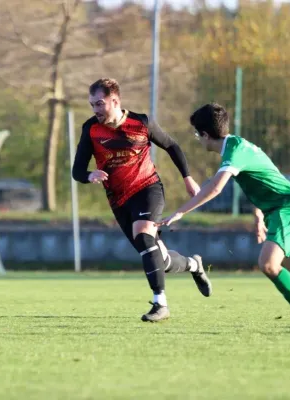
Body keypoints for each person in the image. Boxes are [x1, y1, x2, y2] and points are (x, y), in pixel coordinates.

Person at [158, 102, 290, 328]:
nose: (198, 139)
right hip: (282, 209)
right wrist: (259, 215)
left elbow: (215, 188)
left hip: (286, 209)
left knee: (269, 264)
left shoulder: (234, 151)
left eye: (197, 135)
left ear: (205, 134)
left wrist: (180, 212)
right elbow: (262, 180)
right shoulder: (238, 146)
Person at [72, 78, 212, 322]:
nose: (95, 110)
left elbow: (172, 146)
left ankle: (160, 304)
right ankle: (193, 264)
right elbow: (76, 171)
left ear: (115, 101)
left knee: (144, 234)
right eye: (92, 105)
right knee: (160, 257)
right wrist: (89, 175)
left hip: (147, 188)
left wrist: (188, 179)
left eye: (99, 104)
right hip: (118, 200)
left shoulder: (141, 122)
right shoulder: (90, 129)